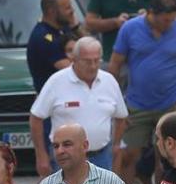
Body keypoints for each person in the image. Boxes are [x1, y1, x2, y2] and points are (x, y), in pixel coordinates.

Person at [107, 0, 176, 184]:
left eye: (172, 20)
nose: (168, 24)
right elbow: (115, 64)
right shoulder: (130, 29)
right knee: (128, 156)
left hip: (170, 103)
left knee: (166, 158)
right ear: (151, 13)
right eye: (165, 20)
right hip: (137, 104)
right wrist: (115, 101)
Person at [29, 37, 128, 176]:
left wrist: (116, 145)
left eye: (97, 61)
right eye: (87, 61)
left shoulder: (109, 81)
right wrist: (41, 155)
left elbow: (121, 117)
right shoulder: (56, 82)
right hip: (66, 159)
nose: (93, 66)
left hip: (102, 157)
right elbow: (36, 118)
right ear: (74, 59)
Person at [26, 0, 77, 93]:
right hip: (53, 99)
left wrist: (76, 27)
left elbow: (87, 44)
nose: (72, 11)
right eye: (67, 8)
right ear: (51, 11)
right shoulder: (43, 37)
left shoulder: (62, 28)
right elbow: (74, 71)